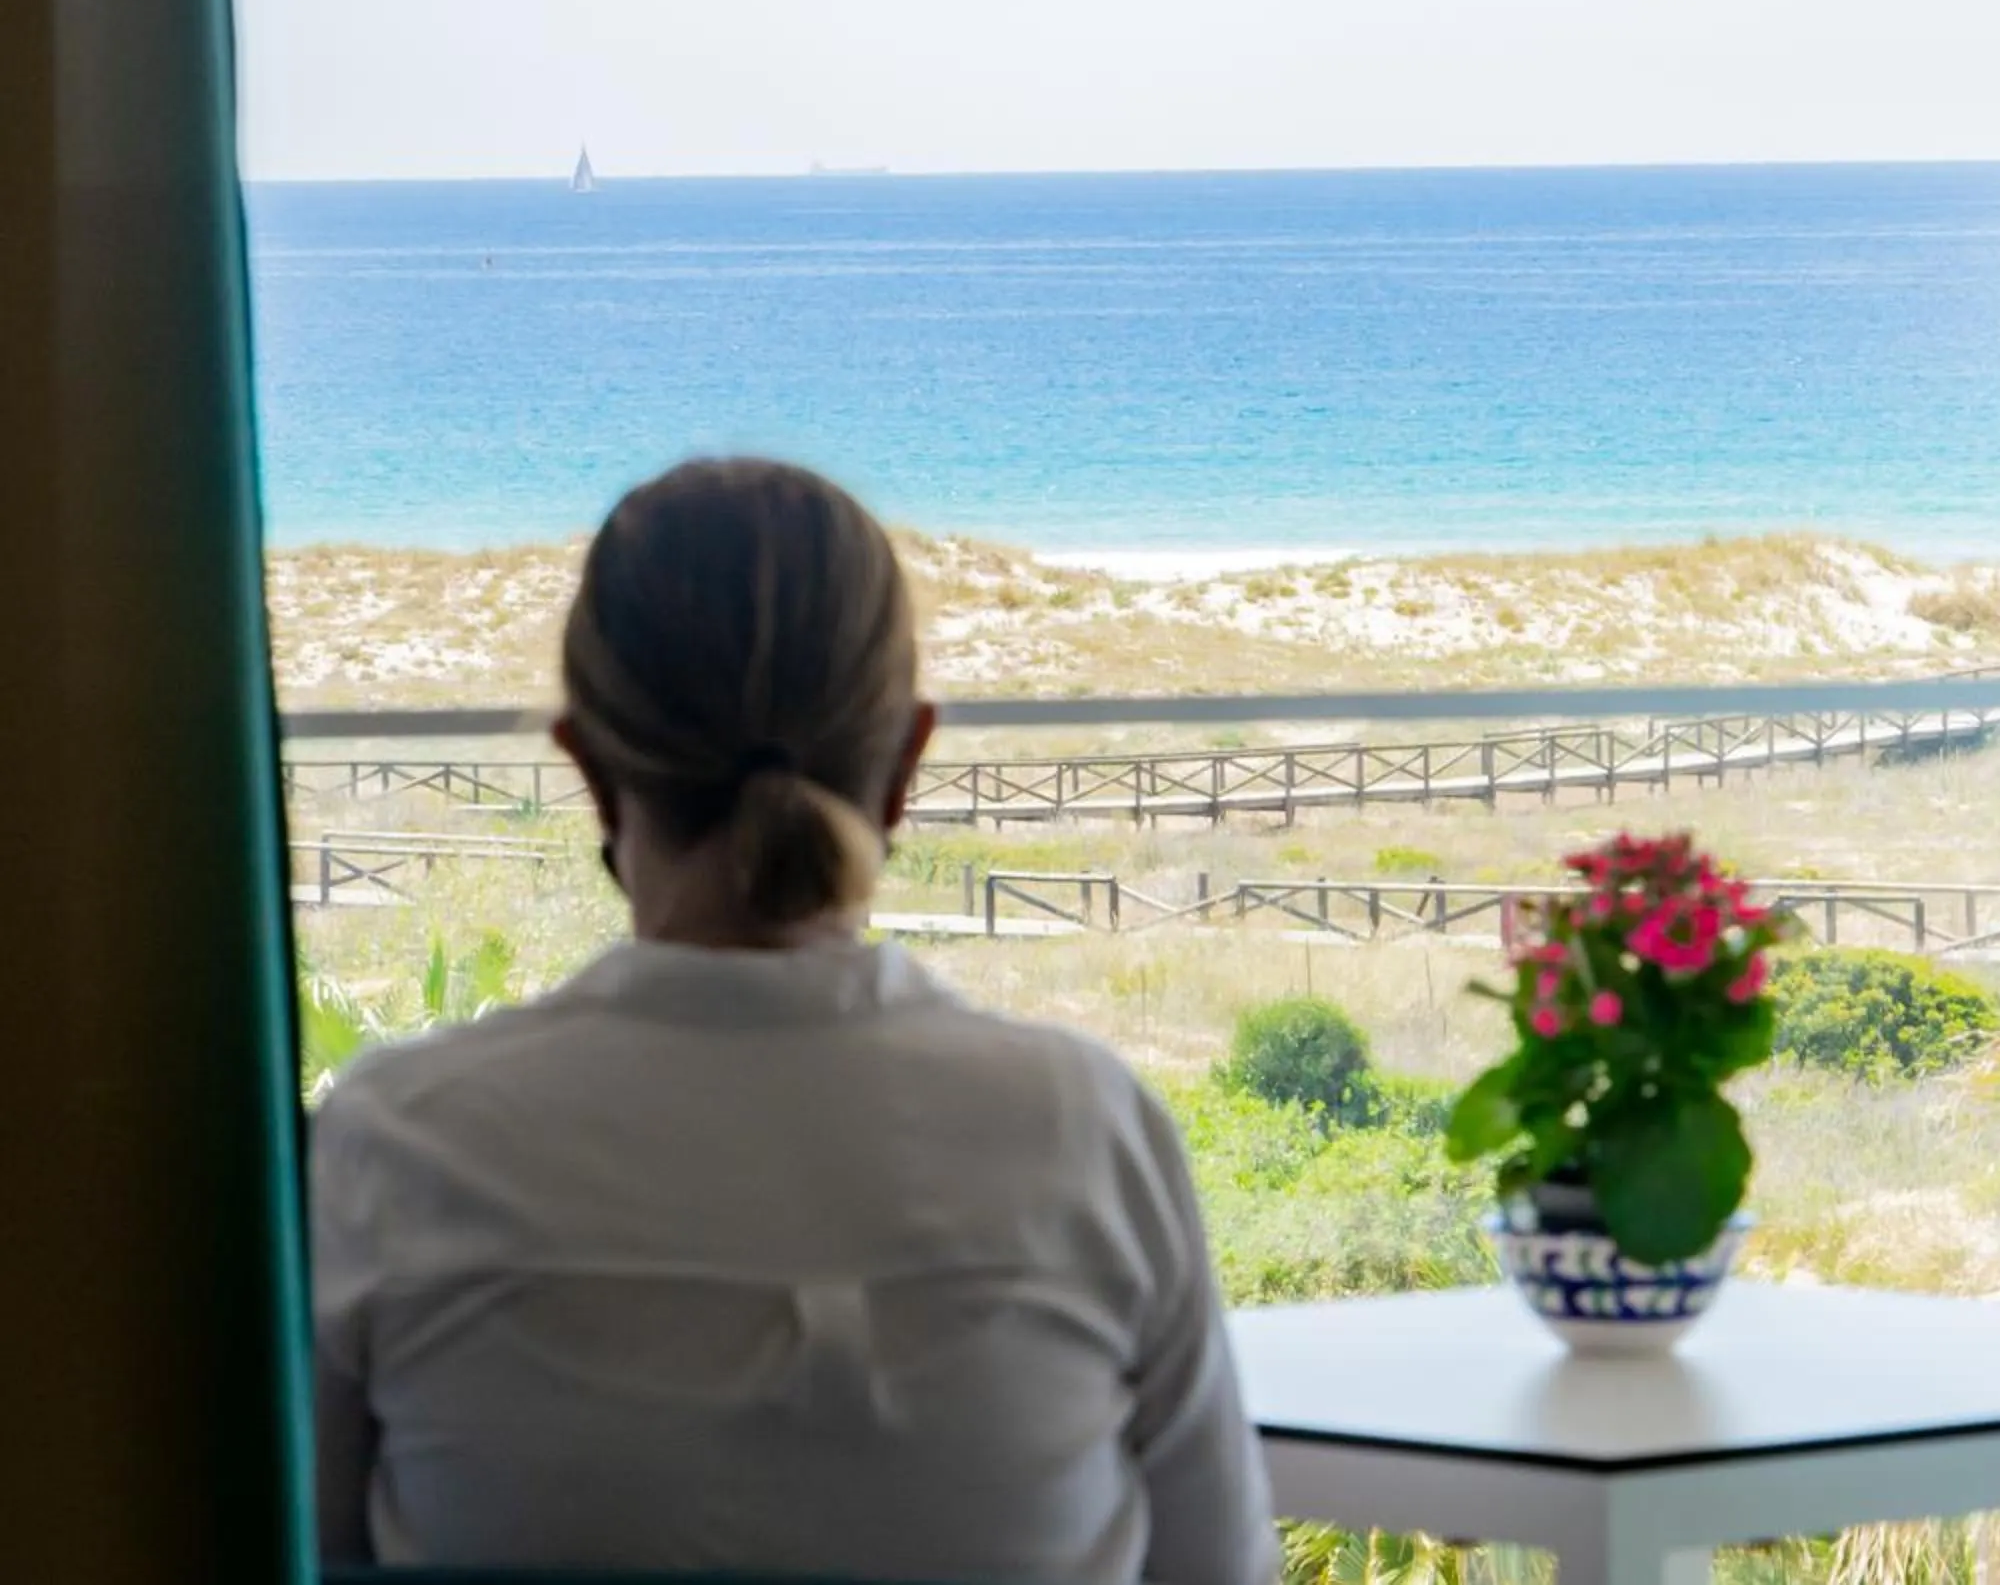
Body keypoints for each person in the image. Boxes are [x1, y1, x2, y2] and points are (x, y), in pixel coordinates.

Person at [308, 458, 1275, 1583]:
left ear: (587, 766)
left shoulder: (397, 1142)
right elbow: (1217, 1565)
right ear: (906, 761)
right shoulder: (1081, 1133)